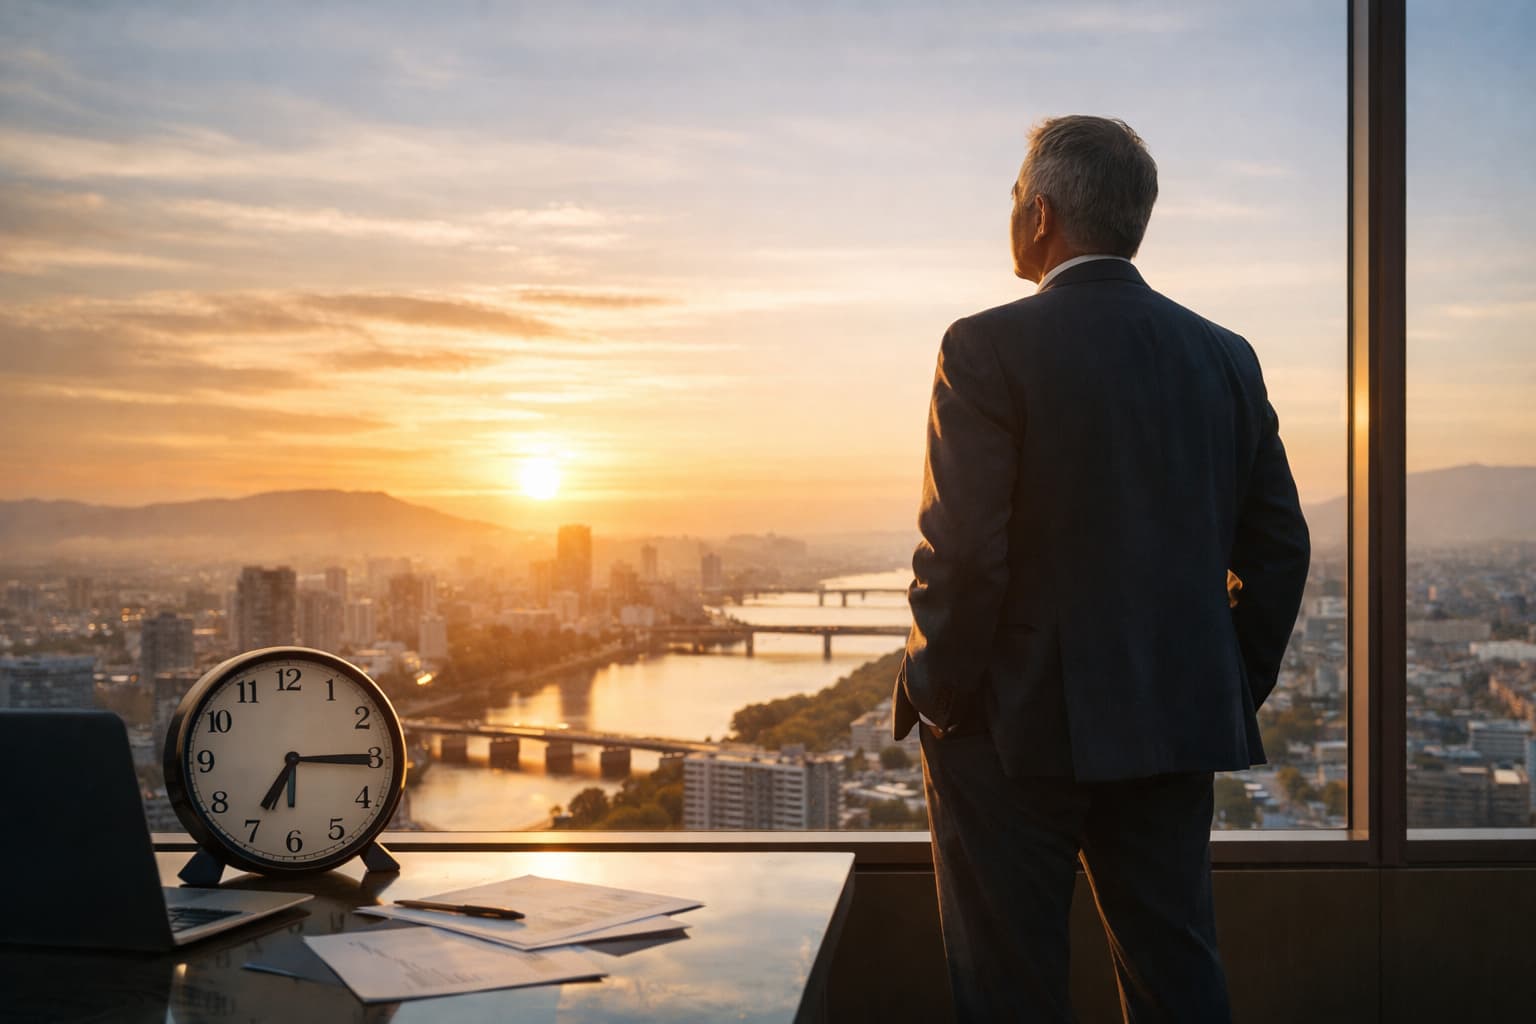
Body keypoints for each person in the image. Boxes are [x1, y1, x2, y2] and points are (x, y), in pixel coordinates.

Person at [894, 115, 1310, 1023]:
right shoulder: (1225, 357)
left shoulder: (984, 347)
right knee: (1175, 975)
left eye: (1013, 197)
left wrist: (937, 694)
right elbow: (1280, 549)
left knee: (1010, 989)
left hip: (1006, 731)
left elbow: (962, 555)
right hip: (1170, 723)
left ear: (1040, 216)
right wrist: (1224, 679)